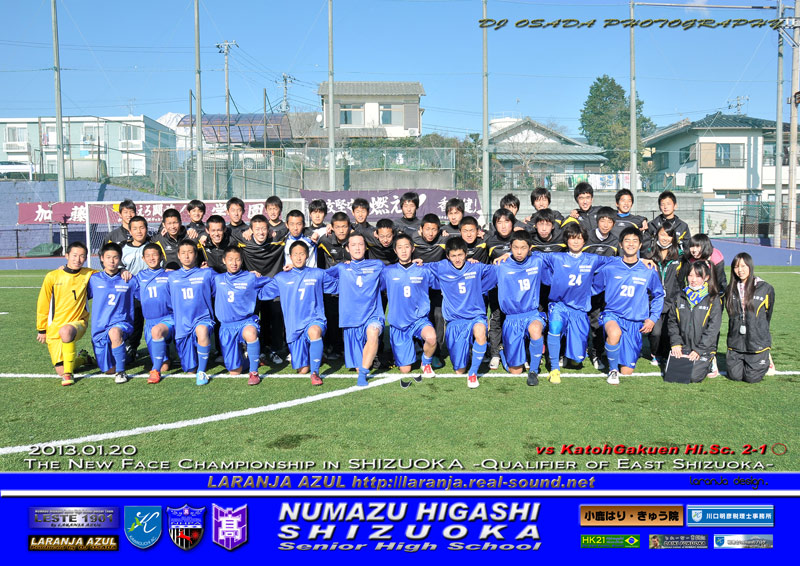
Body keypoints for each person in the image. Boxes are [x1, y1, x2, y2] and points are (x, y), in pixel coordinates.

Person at [542, 222, 618, 383]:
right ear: (566, 240)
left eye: (579, 238)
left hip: (579, 309)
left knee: (577, 360)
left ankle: (570, 354)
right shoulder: (556, 257)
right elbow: (533, 255)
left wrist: (642, 261)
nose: (575, 241)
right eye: (572, 238)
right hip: (559, 305)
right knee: (554, 327)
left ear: (584, 241)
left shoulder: (592, 259)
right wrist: (507, 255)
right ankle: (554, 369)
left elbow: (615, 261)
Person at [592, 227, 665, 385]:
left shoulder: (648, 270)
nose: (630, 244)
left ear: (640, 245)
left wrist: (652, 318)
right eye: (627, 240)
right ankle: (612, 371)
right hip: (613, 315)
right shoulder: (610, 267)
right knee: (614, 332)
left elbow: (659, 295)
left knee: (627, 371)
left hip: (634, 322)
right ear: (620, 244)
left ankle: (615, 351)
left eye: (634, 241)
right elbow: (593, 288)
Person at [260, 241, 336, 385]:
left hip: (314, 319)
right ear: (290, 257)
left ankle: (315, 373)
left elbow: (337, 283)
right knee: (302, 369)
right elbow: (262, 293)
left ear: (307, 256)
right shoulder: (282, 277)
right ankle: (315, 355)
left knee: (314, 331)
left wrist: (346, 267)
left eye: (302, 254)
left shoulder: (317, 274)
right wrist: (251, 277)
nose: (299, 257)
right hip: (294, 327)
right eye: (295, 254)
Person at [427, 237, 497, 388]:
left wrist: (507, 256)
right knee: (459, 370)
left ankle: (473, 373)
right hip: (455, 321)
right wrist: (417, 262)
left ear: (466, 254)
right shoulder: (441, 267)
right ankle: (469, 353)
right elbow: (420, 268)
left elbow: (498, 269)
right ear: (447, 256)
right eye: (453, 256)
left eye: (460, 255)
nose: (457, 259)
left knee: (480, 332)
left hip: (475, 316)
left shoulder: (476, 267)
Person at [324, 233, 385, 386]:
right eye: (353, 245)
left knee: (373, 332)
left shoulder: (377, 265)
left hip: (373, 315)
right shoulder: (342, 268)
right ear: (347, 248)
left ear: (366, 247)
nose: (357, 248)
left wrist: (416, 263)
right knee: (358, 366)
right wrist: (294, 268)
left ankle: (363, 375)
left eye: (361, 244)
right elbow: (319, 276)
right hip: (351, 320)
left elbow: (395, 274)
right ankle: (362, 370)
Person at [36, 242, 95, 386]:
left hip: (78, 323)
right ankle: (83, 358)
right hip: (54, 329)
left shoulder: (89, 274)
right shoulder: (52, 276)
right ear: (67, 255)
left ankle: (68, 374)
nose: (78, 259)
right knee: (60, 369)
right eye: (74, 255)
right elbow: (43, 303)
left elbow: (109, 273)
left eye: (82, 256)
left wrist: (122, 270)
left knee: (66, 330)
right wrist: (42, 329)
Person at [493, 231, 546, 385]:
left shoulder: (537, 261)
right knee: (515, 371)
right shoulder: (500, 266)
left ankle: (533, 371)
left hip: (532, 314)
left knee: (536, 329)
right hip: (511, 318)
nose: (519, 252)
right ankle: (503, 351)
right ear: (510, 247)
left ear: (530, 248)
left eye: (523, 248)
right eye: (515, 248)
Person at [380, 233, 438, 376]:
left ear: (412, 249)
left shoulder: (423, 270)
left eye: (407, 247)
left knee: (431, 337)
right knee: (405, 370)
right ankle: (405, 352)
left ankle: (426, 363)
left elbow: (442, 278)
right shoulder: (388, 272)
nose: (404, 250)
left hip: (419, 319)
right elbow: (374, 287)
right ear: (395, 250)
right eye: (400, 247)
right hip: (399, 323)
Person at [213, 246, 269, 385]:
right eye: (230, 259)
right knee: (235, 372)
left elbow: (272, 282)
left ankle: (254, 373)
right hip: (226, 326)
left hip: (246, 321)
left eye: (237, 259)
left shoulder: (250, 277)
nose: (234, 263)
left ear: (242, 261)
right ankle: (251, 360)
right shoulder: (217, 279)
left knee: (250, 333)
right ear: (224, 260)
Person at [167, 240, 216, 385]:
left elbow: (225, 283)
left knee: (202, 330)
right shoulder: (171, 277)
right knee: (189, 369)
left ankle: (202, 371)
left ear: (196, 255)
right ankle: (195, 367)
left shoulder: (207, 273)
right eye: (183, 253)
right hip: (182, 324)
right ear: (178, 255)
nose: (187, 256)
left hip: (202, 318)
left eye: (190, 252)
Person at [87, 243, 136, 384]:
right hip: (100, 327)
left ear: (120, 259)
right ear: (102, 258)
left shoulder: (128, 279)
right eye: (108, 257)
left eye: (115, 257)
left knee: (115, 333)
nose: (112, 261)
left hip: (121, 323)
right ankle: (126, 353)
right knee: (108, 370)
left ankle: (121, 372)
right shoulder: (94, 279)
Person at [667, 260, 722, 383]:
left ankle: (710, 360)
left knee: (693, 377)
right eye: (690, 275)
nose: (693, 279)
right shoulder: (680, 296)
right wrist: (676, 343)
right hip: (684, 346)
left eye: (698, 276)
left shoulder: (713, 298)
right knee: (675, 376)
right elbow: (672, 322)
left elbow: (713, 329)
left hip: (703, 348)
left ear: (706, 278)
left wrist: (699, 350)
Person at [725, 253, 775, 383]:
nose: (740, 270)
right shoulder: (730, 289)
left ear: (750, 266)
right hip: (736, 343)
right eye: (736, 267)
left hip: (756, 342)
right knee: (735, 376)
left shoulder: (765, 288)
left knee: (752, 378)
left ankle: (766, 357)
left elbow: (768, 315)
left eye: (743, 266)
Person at [130, 243, 173, 384]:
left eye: (155, 255)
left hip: (168, 318)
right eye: (148, 256)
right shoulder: (138, 277)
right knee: (165, 366)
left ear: (161, 256)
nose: (151, 258)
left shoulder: (169, 275)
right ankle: (166, 356)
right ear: (143, 258)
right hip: (149, 322)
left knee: (157, 332)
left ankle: (155, 371)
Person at [645, 219, 684, 366]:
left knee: (669, 331)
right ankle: (655, 353)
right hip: (654, 300)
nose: (665, 238)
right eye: (662, 234)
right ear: (657, 235)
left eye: (669, 235)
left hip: (673, 300)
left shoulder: (680, 256)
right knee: (656, 332)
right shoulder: (649, 253)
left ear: (673, 237)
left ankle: (667, 353)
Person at [485, 208, 516, 369]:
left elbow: (529, 253)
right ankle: (495, 354)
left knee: (515, 319)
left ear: (513, 223)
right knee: (496, 319)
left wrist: (509, 255)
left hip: (516, 289)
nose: (503, 226)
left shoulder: (519, 238)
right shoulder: (489, 241)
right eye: (499, 222)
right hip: (496, 288)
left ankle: (518, 351)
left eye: (507, 221)